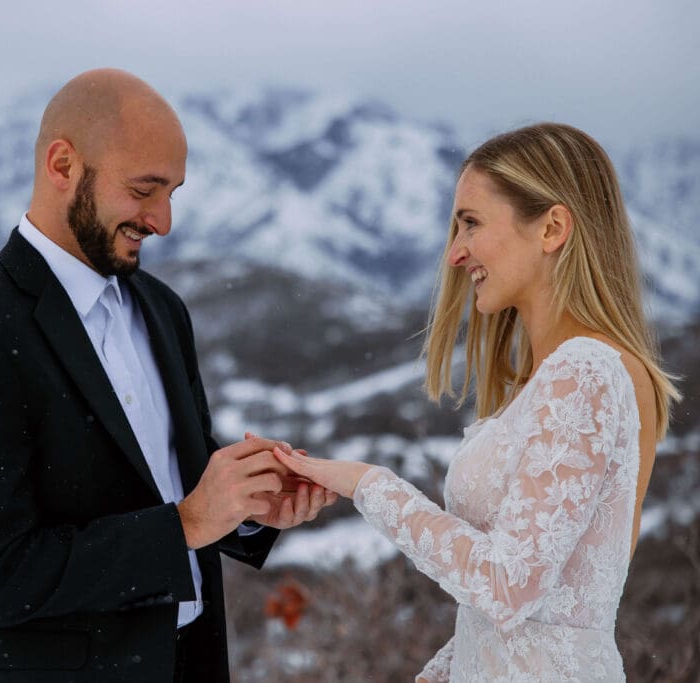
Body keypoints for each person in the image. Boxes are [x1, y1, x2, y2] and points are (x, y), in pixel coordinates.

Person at [0, 68, 336, 683]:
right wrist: (187, 524)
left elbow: (167, 476)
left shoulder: (162, 310)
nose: (162, 220)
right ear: (63, 165)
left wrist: (246, 507)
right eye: (144, 189)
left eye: (172, 193)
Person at [274, 123, 680, 682]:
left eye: (470, 223)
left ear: (552, 228)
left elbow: (509, 588)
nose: (454, 253)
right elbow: (536, 614)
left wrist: (368, 484)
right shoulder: (556, 378)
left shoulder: (584, 372)